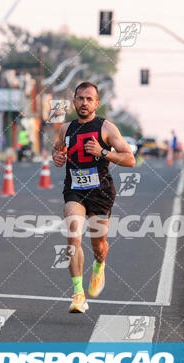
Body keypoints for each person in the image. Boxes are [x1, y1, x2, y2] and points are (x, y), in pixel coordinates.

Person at [52, 82, 135, 313]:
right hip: (74, 190)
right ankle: (78, 294)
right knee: (73, 234)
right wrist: (57, 157)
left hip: (101, 192)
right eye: (80, 98)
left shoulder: (106, 128)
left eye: (89, 99)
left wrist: (103, 152)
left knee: (98, 244)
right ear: (74, 102)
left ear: (96, 104)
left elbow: (130, 159)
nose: (84, 103)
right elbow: (57, 149)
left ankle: (100, 264)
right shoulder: (66, 128)